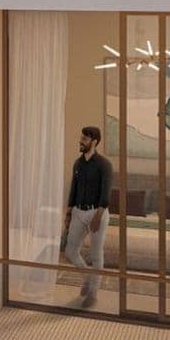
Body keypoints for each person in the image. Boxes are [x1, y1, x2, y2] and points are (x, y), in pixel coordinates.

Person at [65, 125, 114, 309]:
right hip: (78, 212)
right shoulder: (77, 164)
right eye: (81, 138)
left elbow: (106, 193)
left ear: (94, 142)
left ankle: (93, 293)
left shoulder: (104, 165)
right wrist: (68, 214)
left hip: (97, 212)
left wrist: (98, 216)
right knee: (70, 251)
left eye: (85, 139)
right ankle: (88, 278)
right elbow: (73, 190)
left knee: (95, 254)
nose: (81, 141)